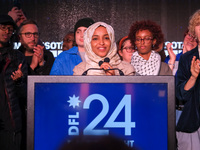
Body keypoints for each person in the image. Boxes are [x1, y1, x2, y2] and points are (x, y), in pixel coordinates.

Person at [0, 14, 27, 150]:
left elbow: (24, 94)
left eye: (10, 29)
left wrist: (18, 81)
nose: (6, 32)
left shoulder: (17, 57)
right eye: (3, 28)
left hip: (9, 122)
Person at [176, 9, 200, 150]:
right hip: (193, 124)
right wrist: (193, 77)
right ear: (194, 31)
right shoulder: (186, 58)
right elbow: (180, 94)